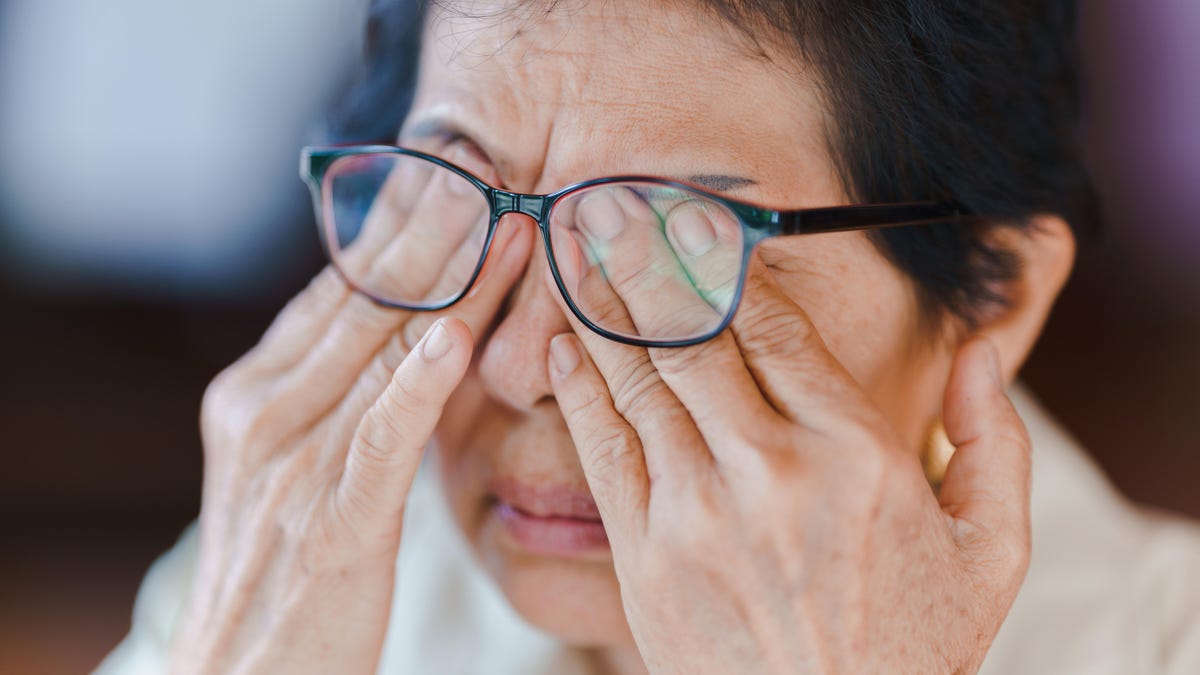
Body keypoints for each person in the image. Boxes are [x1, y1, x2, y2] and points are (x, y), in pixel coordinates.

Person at [96, 0, 1200, 673]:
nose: (518, 366)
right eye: (462, 193)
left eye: (674, 247)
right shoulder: (297, 576)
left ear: (992, 295)